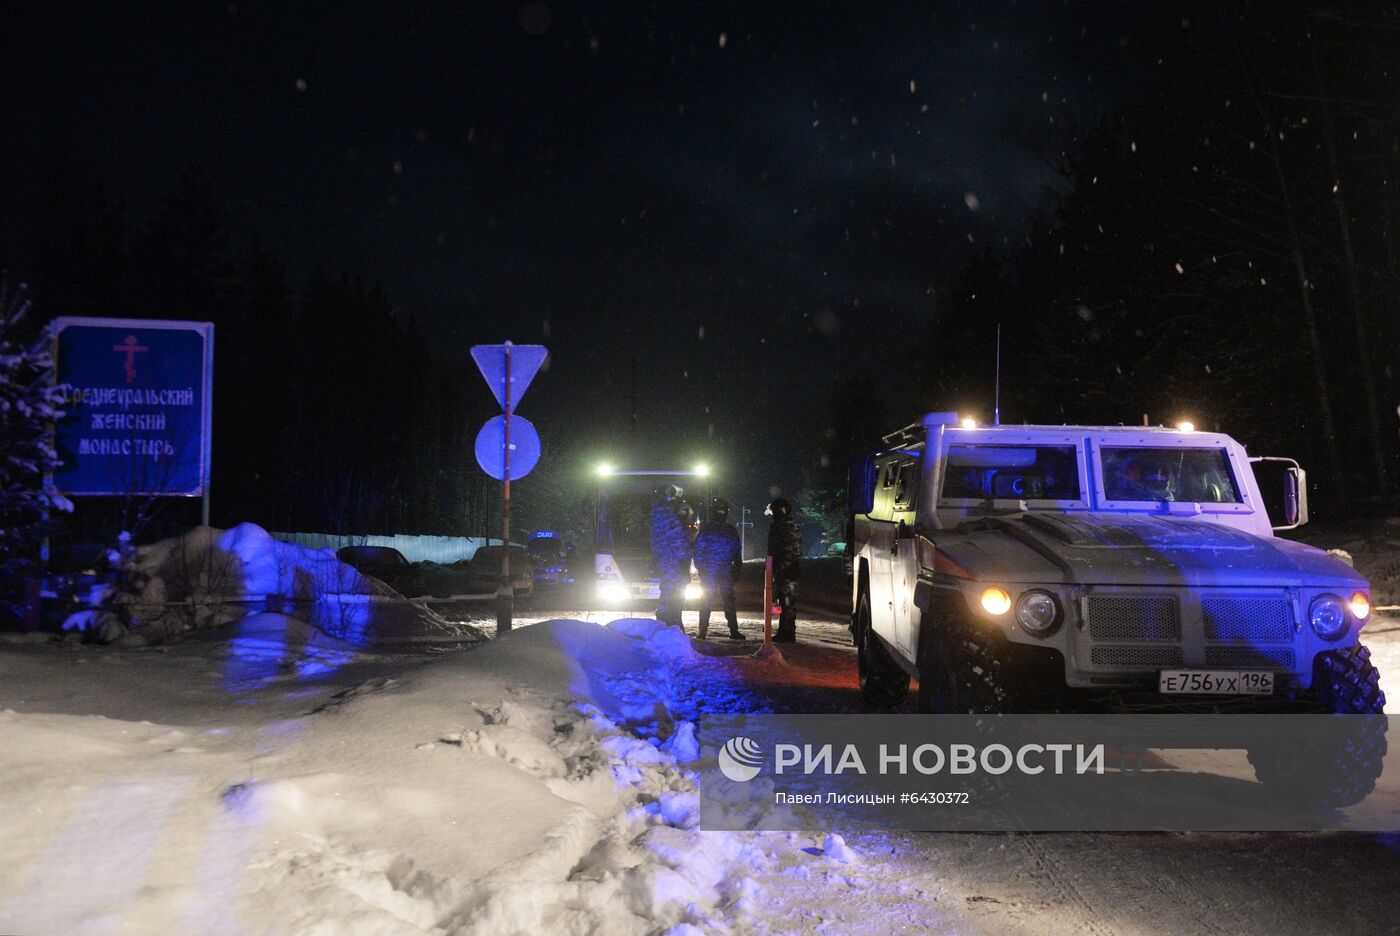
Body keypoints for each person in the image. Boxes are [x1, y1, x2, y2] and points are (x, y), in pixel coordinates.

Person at [693, 499, 744, 640]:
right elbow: (698, 550)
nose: (722, 513)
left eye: (724, 510)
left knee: (728, 600)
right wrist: (701, 568)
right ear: (714, 511)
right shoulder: (707, 529)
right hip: (709, 572)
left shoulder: (730, 530)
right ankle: (702, 631)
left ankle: (734, 630)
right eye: (719, 510)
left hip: (725, 571)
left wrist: (737, 567)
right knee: (706, 600)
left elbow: (737, 550)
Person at [650, 484, 691, 627]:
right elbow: (678, 540)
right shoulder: (668, 516)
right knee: (672, 591)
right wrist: (684, 562)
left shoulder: (659, 512)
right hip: (672, 560)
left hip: (667, 558)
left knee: (670, 591)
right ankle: (668, 623)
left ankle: (669, 621)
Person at [765, 498, 802, 643]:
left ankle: (787, 632)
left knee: (788, 603)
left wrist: (780, 569)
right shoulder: (782, 526)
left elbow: (791, 551)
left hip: (788, 570)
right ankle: (784, 631)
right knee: (784, 602)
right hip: (783, 569)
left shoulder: (787, 527)